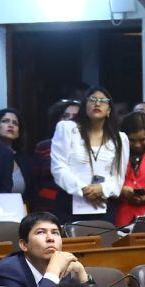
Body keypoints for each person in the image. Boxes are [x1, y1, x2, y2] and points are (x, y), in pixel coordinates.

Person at [51, 87, 128, 223]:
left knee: (104, 243)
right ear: (85, 106)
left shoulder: (120, 139)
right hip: (69, 202)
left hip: (104, 204)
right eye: (92, 99)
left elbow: (118, 178)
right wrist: (84, 190)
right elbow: (59, 167)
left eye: (103, 101)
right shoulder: (67, 129)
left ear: (109, 110)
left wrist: (102, 189)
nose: (97, 103)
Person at [28, 99, 80, 215]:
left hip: (80, 205)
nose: (70, 120)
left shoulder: (91, 147)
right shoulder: (44, 147)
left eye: (75, 117)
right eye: (65, 116)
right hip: (47, 209)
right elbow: (35, 183)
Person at [0, 107, 36, 198]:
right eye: (5, 121)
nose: (11, 125)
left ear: (18, 133)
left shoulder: (25, 159)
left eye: (15, 123)